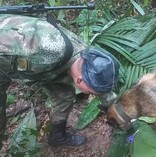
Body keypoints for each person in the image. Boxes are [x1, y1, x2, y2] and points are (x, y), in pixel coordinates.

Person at [0, 14, 119, 148]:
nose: (94, 94)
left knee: (65, 96)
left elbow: (100, 86)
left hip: (39, 68)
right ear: (79, 80)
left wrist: (115, 108)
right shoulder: (45, 49)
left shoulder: (88, 58)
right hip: (5, 55)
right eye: (92, 92)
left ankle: (57, 136)